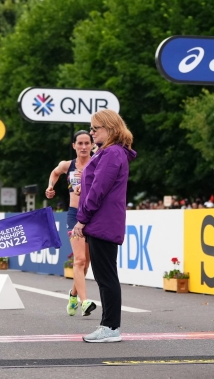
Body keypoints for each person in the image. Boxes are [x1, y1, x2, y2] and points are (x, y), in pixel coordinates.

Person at [72, 109, 136, 344]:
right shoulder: (110, 152)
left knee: (106, 276)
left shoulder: (111, 153)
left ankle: (110, 327)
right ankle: (109, 326)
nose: (91, 132)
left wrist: (82, 219)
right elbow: (97, 185)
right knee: (104, 276)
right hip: (103, 221)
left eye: (94, 128)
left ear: (109, 128)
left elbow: (99, 189)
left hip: (103, 222)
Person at [46, 129, 97, 318]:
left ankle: (73, 295)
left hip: (93, 215)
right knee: (80, 259)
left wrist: (86, 184)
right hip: (75, 215)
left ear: (92, 145)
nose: (83, 147)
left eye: (87, 143)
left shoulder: (97, 162)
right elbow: (55, 173)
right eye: (80, 143)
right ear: (74, 145)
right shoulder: (67, 165)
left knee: (87, 263)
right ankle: (85, 302)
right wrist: (50, 186)